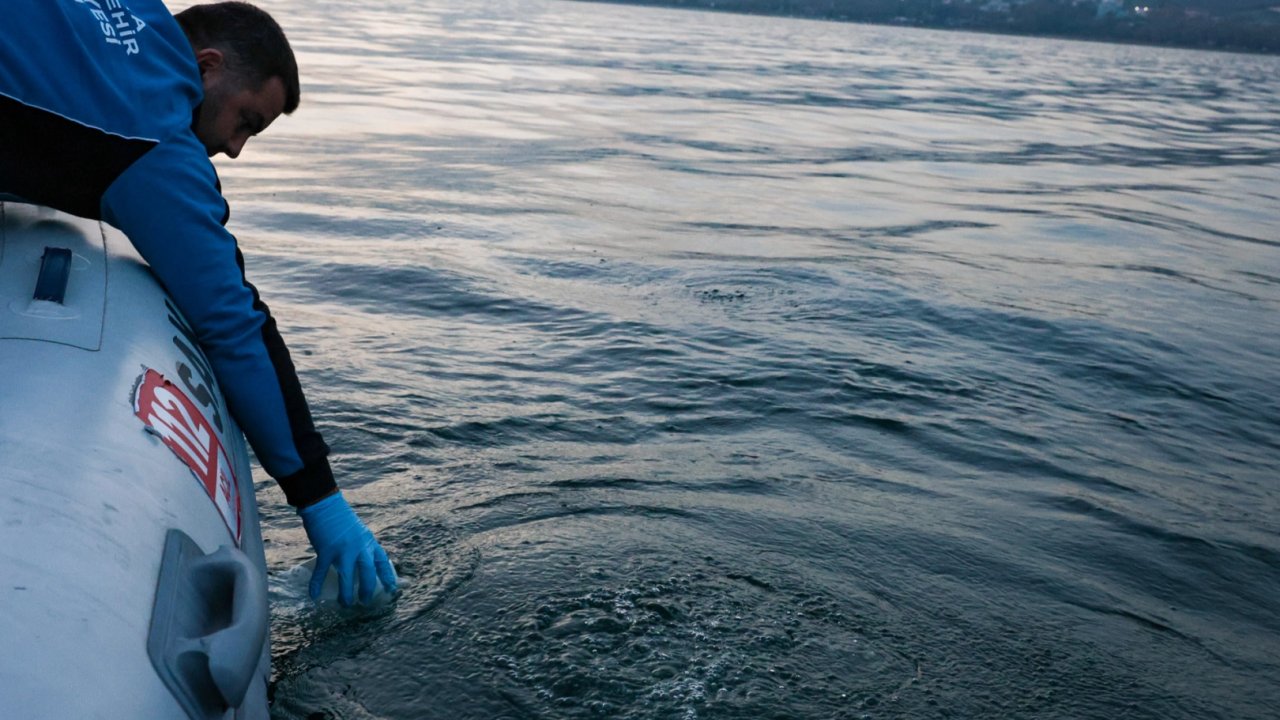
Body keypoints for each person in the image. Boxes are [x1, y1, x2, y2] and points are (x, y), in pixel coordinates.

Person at [0, 1, 396, 606]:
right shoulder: (152, 138)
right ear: (207, 67)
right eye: (246, 121)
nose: (235, 149)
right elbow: (235, 327)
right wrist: (321, 501)